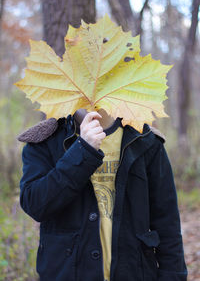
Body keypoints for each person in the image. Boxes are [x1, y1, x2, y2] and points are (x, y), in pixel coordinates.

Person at [18, 108, 187, 281]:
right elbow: (35, 204)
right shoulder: (45, 140)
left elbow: (167, 223)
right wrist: (83, 150)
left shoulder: (144, 138)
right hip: (66, 273)